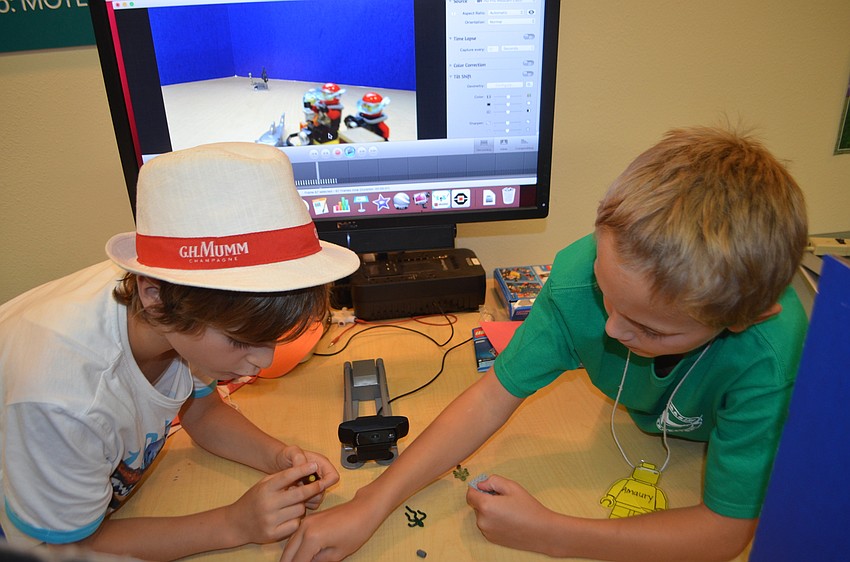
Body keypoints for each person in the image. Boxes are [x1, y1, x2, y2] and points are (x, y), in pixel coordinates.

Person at [280, 126, 809, 562]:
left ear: (745, 318)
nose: (610, 332)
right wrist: (372, 502)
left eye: (650, 330)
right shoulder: (580, 276)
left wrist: (550, 532)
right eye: (606, 296)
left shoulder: (770, 354)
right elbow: (491, 397)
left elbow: (724, 533)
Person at [0, 142, 361, 560]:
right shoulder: (64, 399)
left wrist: (277, 456)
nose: (263, 362)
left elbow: (201, 410)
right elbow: (63, 548)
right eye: (242, 342)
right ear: (154, 295)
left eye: (273, 340)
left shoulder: (178, 304)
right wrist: (233, 524)